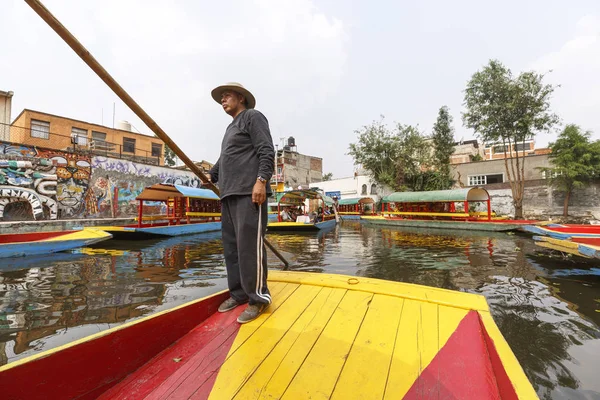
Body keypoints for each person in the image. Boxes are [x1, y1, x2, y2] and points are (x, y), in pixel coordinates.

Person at [209, 82, 274, 324]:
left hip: (249, 192)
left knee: (249, 249)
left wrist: (261, 182)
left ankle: (258, 298)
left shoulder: (252, 117)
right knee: (232, 249)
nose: (223, 101)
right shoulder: (230, 128)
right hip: (228, 194)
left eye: (227, 97)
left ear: (241, 98)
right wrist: (212, 175)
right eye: (222, 98)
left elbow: (266, 150)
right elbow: (225, 157)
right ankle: (238, 293)